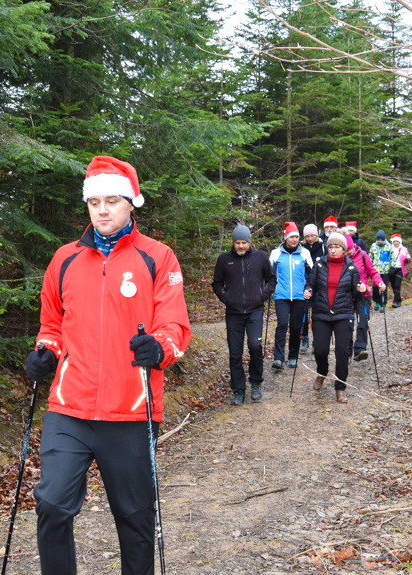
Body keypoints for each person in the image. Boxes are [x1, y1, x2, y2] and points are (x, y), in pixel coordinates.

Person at [25, 155, 191, 575]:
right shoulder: (64, 259)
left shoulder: (158, 257)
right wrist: (46, 350)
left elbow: (174, 324)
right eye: (94, 201)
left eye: (112, 201)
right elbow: (52, 324)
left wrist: (159, 347)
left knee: (135, 517)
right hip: (69, 407)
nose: (102, 210)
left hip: (131, 410)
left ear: (131, 203)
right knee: (52, 503)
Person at [212, 225, 276, 405]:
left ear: (250, 242)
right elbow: (217, 284)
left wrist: (262, 295)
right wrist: (227, 298)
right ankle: (238, 390)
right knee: (235, 352)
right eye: (238, 243)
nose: (241, 246)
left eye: (244, 243)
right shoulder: (224, 260)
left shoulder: (260, 257)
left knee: (255, 346)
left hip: (255, 310)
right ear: (233, 243)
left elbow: (271, 279)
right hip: (234, 313)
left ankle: (256, 383)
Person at [303, 232, 365, 403]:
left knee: (342, 352)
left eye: (337, 247)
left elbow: (355, 293)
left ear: (344, 249)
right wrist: (308, 290)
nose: (333, 250)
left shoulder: (352, 267)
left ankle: (340, 387)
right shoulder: (320, 264)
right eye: (330, 246)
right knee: (320, 350)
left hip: (343, 314)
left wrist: (360, 290)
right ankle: (322, 372)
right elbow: (311, 283)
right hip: (321, 313)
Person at [269, 221, 313, 370]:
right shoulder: (276, 254)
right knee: (281, 325)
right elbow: (270, 275)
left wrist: (308, 289)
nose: (294, 239)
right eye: (291, 237)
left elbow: (312, 275)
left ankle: (293, 356)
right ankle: (278, 358)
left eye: (296, 237)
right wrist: (269, 290)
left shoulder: (304, 253)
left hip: (300, 296)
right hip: (281, 295)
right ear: (285, 237)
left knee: (295, 327)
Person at [346, 235, 384, 361]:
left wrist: (379, 283)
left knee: (363, 320)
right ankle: (346, 350)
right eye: (345, 250)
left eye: (349, 249)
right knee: (347, 324)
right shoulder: (339, 259)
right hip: (346, 296)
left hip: (363, 294)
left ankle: (360, 349)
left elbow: (372, 272)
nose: (348, 252)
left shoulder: (362, 255)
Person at [300, 224, 326, 352]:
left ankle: (317, 340)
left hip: (319, 283)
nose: (310, 238)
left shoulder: (323, 247)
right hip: (304, 282)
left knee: (317, 313)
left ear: (316, 235)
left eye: (312, 235)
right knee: (304, 311)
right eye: (307, 236)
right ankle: (304, 338)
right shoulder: (301, 247)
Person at [368, 230, 392, 312]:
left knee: (383, 288)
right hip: (375, 271)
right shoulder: (373, 246)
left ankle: (383, 304)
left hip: (385, 271)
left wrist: (392, 268)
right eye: (379, 240)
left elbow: (393, 257)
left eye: (382, 240)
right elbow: (369, 257)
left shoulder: (389, 246)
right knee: (375, 288)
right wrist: (369, 267)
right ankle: (377, 301)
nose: (380, 241)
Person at [387, 234, 411, 308]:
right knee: (394, 286)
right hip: (391, 269)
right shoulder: (389, 248)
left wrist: (408, 258)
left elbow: (408, 261)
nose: (396, 243)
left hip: (400, 269)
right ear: (393, 242)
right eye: (394, 241)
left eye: (397, 241)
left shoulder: (404, 249)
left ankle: (396, 301)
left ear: (400, 242)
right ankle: (398, 300)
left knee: (397, 285)